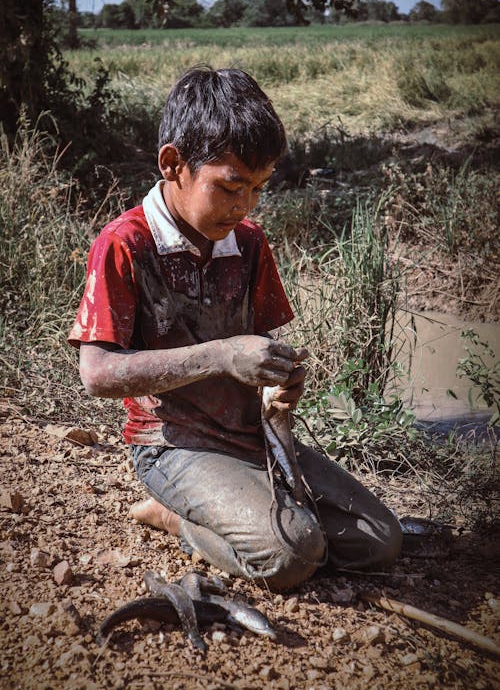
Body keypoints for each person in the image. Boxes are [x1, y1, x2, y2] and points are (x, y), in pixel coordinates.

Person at [69, 67, 402, 590]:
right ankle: (175, 517)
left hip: (252, 437)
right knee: (294, 554)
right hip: (175, 445)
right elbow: (98, 374)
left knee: (380, 538)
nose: (246, 205)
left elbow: (266, 345)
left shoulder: (247, 242)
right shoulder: (125, 244)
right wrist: (223, 355)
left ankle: (248, 510)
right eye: (231, 186)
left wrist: (283, 378)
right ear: (173, 164)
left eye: (258, 188)